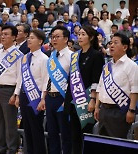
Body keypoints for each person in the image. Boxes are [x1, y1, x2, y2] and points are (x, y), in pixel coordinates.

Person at [64, 25, 105, 154]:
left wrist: (93, 100)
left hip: (86, 101)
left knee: (86, 136)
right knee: (74, 136)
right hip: (73, 100)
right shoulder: (75, 55)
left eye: (83, 34)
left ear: (91, 37)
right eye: (79, 34)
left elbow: (96, 80)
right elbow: (71, 79)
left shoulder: (97, 55)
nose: (79, 37)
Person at [0, 25, 22, 153]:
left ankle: (12, 148)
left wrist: (16, 94)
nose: (3, 36)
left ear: (14, 37)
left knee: (10, 122)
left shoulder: (18, 54)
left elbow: (20, 77)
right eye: (2, 34)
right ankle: (0, 148)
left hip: (9, 90)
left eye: (6, 34)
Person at [94, 33, 138, 139]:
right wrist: (96, 107)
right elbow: (100, 87)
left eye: (115, 43)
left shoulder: (132, 66)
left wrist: (131, 110)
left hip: (120, 111)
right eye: (110, 43)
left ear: (125, 47)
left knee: (117, 145)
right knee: (103, 144)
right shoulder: (107, 66)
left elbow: (135, 90)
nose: (111, 45)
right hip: (103, 109)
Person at [15, 29, 48, 154]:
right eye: (29, 37)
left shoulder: (44, 59)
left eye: (32, 38)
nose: (29, 40)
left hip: (36, 98)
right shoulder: (24, 57)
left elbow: (45, 81)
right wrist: (17, 95)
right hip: (24, 96)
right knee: (26, 128)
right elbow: (20, 78)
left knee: (36, 129)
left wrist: (43, 99)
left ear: (40, 41)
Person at [45, 25, 72, 154]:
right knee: (52, 133)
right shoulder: (52, 55)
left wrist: (67, 100)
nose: (54, 40)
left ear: (66, 39)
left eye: (57, 37)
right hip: (50, 97)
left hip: (63, 99)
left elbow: (73, 82)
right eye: (52, 37)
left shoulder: (73, 56)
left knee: (65, 133)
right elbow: (48, 78)